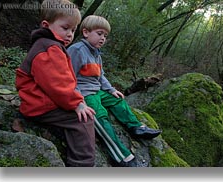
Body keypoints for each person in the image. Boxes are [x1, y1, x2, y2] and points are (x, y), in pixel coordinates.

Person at [67, 15, 162, 167]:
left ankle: (135, 127)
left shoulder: (96, 54)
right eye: (99, 34)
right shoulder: (77, 50)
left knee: (118, 100)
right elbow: (68, 76)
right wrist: (78, 100)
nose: (103, 38)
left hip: (97, 91)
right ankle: (120, 156)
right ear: (85, 32)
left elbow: (101, 76)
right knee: (100, 115)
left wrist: (110, 90)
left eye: (105, 35)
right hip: (84, 93)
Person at [15, 0, 96, 167]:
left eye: (73, 30)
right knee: (83, 119)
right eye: (65, 28)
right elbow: (58, 85)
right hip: (39, 104)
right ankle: (83, 165)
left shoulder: (49, 45)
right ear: (46, 25)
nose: (69, 34)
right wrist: (77, 104)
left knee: (82, 111)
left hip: (41, 100)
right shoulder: (49, 48)